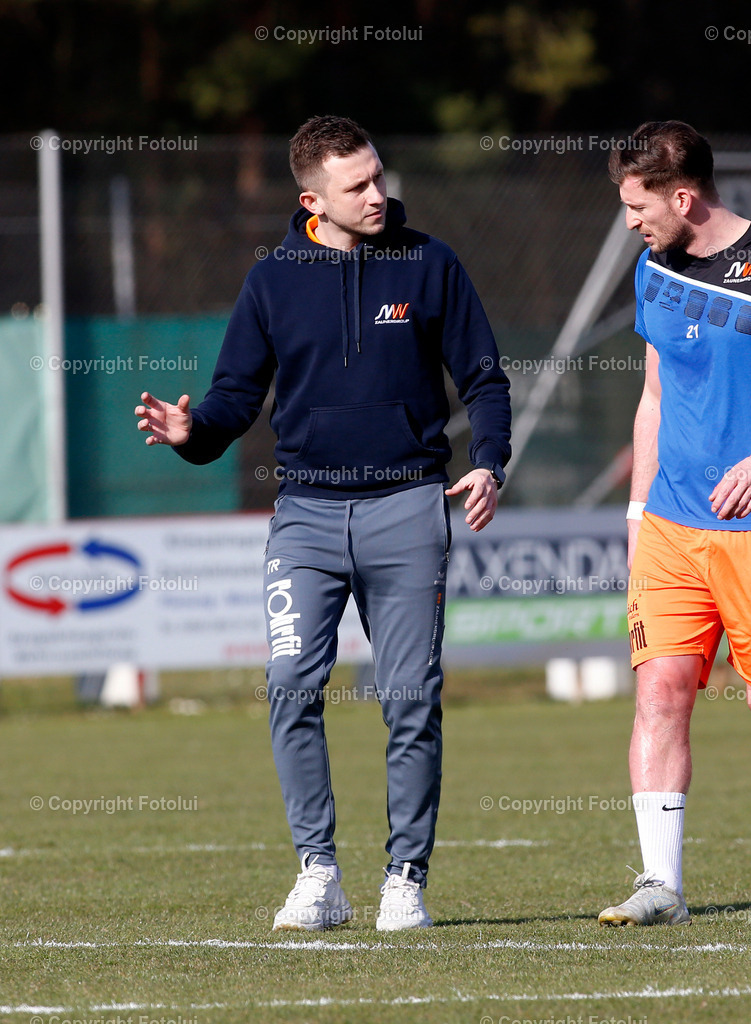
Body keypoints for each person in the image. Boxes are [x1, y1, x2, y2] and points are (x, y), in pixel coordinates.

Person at [135, 115, 511, 932]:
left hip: (410, 506)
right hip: (304, 515)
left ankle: (405, 878)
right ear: (314, 199)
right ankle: (319, 875)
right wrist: (192, 435)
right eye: (359, 186)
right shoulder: (273, 280)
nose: (379, 195)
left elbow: (484, 377)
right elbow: (235, 399)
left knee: (410, 697)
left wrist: (489, 458)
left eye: (380, 177)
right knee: (290, 686)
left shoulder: (430, 262)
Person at [598, 120, 751, 926]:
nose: (630, 221)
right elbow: (656, 398)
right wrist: (636, 510)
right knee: (660, 693)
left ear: (683, 196)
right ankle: (660, 885)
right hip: (670, 524)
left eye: (638, 205)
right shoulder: (650, 269)